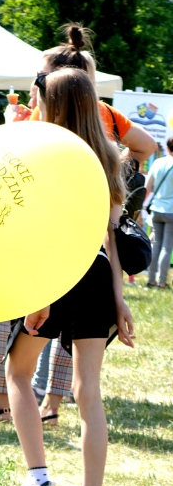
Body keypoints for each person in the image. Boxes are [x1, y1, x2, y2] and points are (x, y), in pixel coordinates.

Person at [0, 67, 133, 486]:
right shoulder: (110, 157)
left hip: (52, 270)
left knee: (16, 373)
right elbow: (111, 240)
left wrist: (40, 296)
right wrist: (120, 301)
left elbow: (41, 230)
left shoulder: (43, 152)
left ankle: (37, 482)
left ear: (50, 104)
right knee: (87, 392)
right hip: (95, 274)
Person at [39, 25, 156, 164]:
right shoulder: (104, 110)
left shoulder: (45, 111)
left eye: (42, 77)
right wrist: (113, 171)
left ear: (63, 79)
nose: (37, 83)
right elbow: (147, 146)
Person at [145, 137, 173, 289]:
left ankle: (150, 280)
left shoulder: (158, 163)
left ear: (167, 148)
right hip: (171, 211)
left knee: (155, 245)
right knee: (166, 247)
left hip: (156, 209)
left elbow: (148, 186)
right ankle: (162, 282)